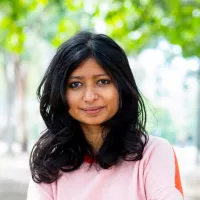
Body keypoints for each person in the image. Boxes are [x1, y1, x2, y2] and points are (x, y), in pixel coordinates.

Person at [27, 31, 184, 200]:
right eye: (75, 84)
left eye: (103, 81)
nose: (90, 97)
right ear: (60, 93)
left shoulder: (153, 152)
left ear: (122, 86)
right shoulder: (49, 162)